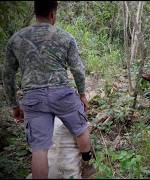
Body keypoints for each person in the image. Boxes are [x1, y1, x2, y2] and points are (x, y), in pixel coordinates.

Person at [2, 1, 95, 178]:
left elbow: (7, 76)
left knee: (39, 149)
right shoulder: (65, 37)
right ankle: (87, 165)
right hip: (62, 94)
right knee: (81, 129)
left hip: (33, 98)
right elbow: (78, 69)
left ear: (35, 12)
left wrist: (14, 105)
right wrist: (82, 95)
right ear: (53, 14)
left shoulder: (16, 39)